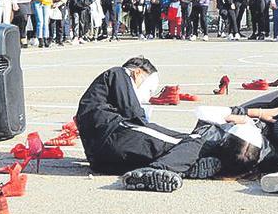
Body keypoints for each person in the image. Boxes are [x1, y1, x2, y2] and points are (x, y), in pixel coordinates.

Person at [75, 56, 219, 192]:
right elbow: (133, 113)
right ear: (137, 73)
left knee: (173, 147)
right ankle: (163, 168)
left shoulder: (101, 93)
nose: (148, 96)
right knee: (194, 140)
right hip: (116, 134)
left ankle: (182, 166)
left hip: (102, 161)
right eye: (150, 89)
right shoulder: (119, 73)